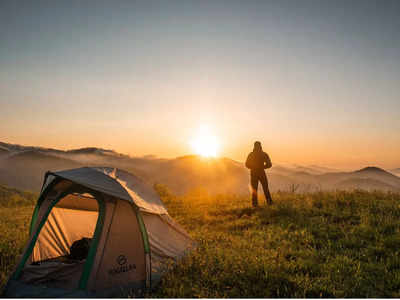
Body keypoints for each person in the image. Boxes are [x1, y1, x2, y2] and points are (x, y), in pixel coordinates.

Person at [245, 141, 273, 207]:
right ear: (260, 146)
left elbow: (246, 164)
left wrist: (253, 167)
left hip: (253, 173)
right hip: (262, 173)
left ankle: (255, 205)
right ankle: (269, 203)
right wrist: (262, 167)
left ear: (254, 146)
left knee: (254, 189)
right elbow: (269, 164)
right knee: (265, 188)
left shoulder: (251, 154)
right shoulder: (264, 154)